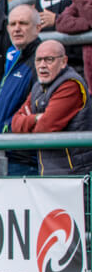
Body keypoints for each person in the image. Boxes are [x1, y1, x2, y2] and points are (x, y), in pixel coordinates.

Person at [10, 40, 92, 176]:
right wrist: (36, 118)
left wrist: (29, 120)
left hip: (75, 175)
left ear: (63, 62)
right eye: (38, 60)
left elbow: (45, 127)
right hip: (49, 172)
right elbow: (15, 123)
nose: (42, 65)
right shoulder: (38, 86)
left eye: (49, 60)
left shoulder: (71, 84)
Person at [0, 5, 41, 176]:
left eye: (23, 23)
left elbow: (38, 107)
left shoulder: (39, 61)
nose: (17, 28)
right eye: (12, 24)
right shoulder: (15, 58)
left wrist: (7, 129)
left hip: (22, 159)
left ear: (38, 27)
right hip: (3, 155)